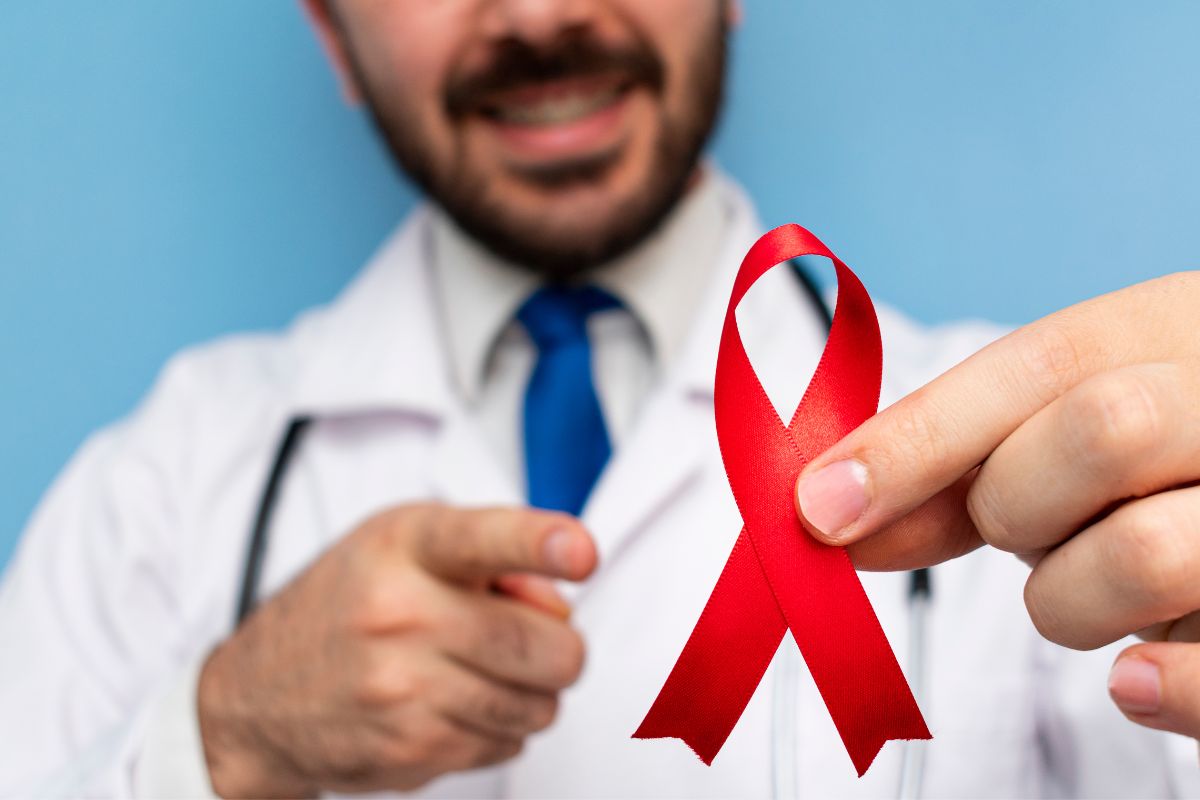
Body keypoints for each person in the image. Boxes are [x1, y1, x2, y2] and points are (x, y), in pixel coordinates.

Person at [1, 1, 1198, 797]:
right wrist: (221, 734)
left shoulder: (1057, 474)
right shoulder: (163, 490)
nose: (536, 15)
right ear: (330, 34)